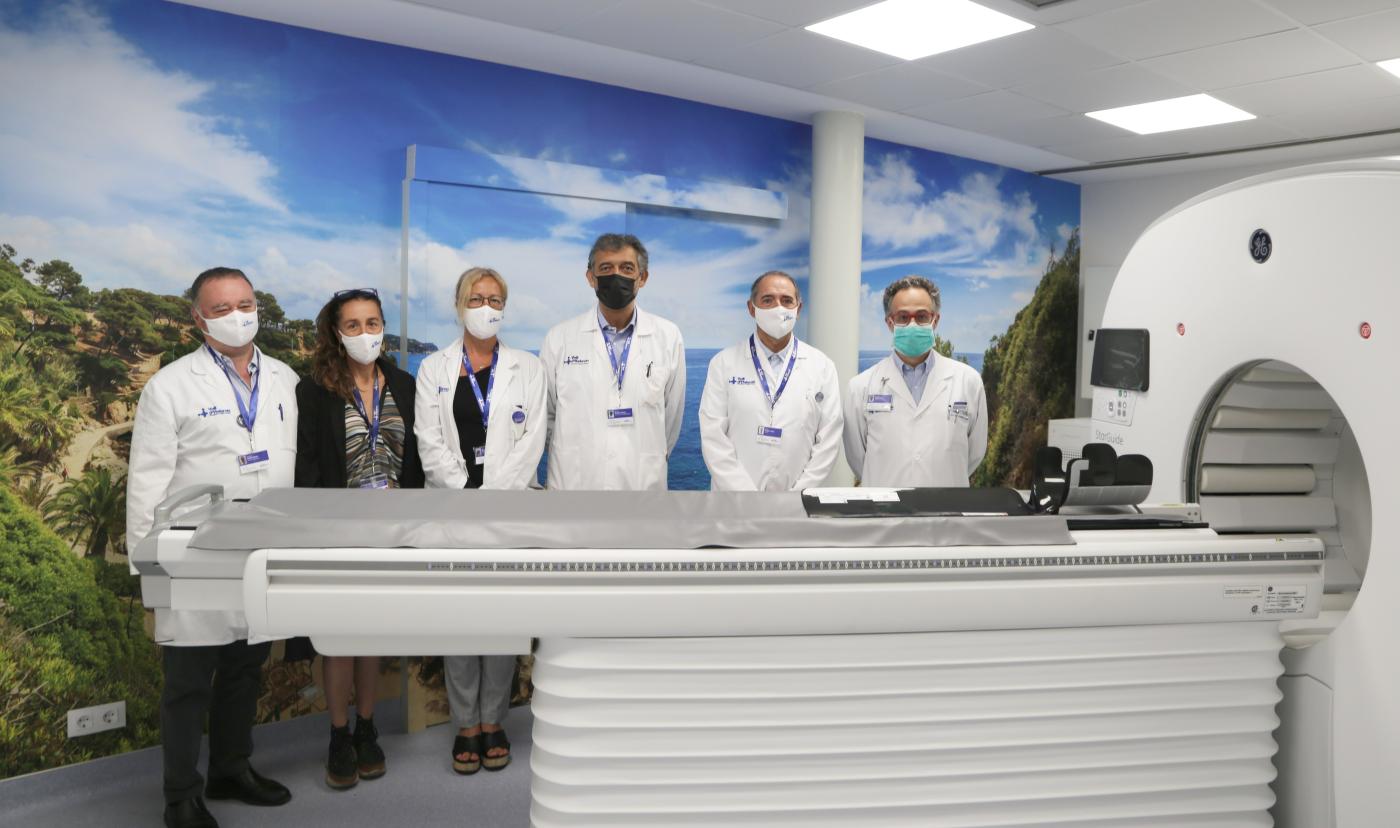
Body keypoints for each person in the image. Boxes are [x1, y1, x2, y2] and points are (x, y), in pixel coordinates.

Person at [126, 267, 298, 828]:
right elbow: (147, 480)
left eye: (244, 304)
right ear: (198, 319)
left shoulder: (285, 379)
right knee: (187, 682)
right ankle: (181, 794)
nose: (236, 316)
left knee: (245, 668)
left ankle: (231, 768)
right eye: (221, 309)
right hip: (193, 554)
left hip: (262, 548)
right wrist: (148, 566)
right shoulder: (170, 385)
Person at [414, 267, 546, 774]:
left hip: (509, 510)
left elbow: (532, 441)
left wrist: (493, 497)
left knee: (503, 616)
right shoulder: (434, 368)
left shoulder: (528, 368)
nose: (486, 307)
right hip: (453, 509)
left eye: (495, 299)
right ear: (458, 304)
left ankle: (494, 720)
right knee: (460, 617)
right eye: (476, 298)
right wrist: (467, 494)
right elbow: (429, 440)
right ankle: (465, 724)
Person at [293, 288, 424, 790]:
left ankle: (367, 727)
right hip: (338, 533)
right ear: (336, 332)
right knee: (339, 639)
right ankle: (338, 733)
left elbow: (416, 462)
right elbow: (307, 467)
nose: (365, 333)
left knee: (371, 634)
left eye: (373, 323)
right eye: (353, 325)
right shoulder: (315, 391)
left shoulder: (404, 385)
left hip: (392, 532)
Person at [540, 233, 685, 490]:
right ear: (590, 277)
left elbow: (671, 419)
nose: (616, 276)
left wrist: (650, 454)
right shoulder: (559, 338)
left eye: (627, 268)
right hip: (574, 484)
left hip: (642, 485)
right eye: (606, 268)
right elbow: (547, 415)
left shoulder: (668, 336)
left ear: (642, 277)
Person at [699, 270, 842, 490]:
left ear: (798, 309)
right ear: (751, 308)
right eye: (768, 300)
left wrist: (797, 495)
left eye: (787, 301)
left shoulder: (822, 366)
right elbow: (713, 437)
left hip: (798, 499)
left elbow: (828, 440)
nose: (778, 308)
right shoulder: (723, 364)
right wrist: (745, 495)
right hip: (735, 500)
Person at [843, 275, 987, 487]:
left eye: (921, 316)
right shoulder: (860, 387)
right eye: (903, 317)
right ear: (890, 323)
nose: (912, 324)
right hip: (885, 505)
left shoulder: (968, 382)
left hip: (946, 504)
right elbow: (858, 459)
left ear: (935, 320)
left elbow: (974, 454)